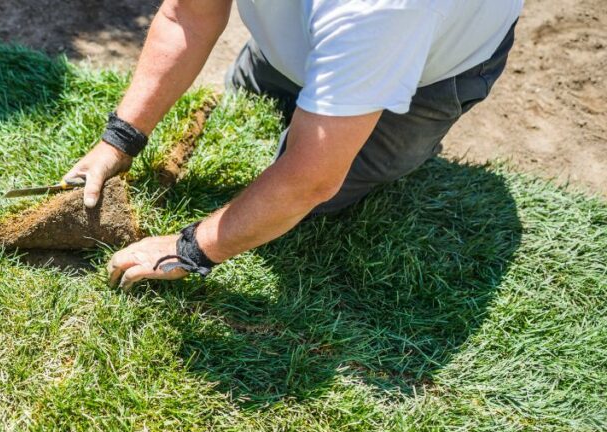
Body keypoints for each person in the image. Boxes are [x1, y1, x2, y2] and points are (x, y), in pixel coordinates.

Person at [67, 0, 522, 290]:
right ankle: (319, 80)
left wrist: (190, 250)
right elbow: (189, 13)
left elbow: (311, 180)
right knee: (248, 109)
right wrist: (119, 140)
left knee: (317, 199)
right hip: (329, 35)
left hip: (434, 70)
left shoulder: (379, 11)